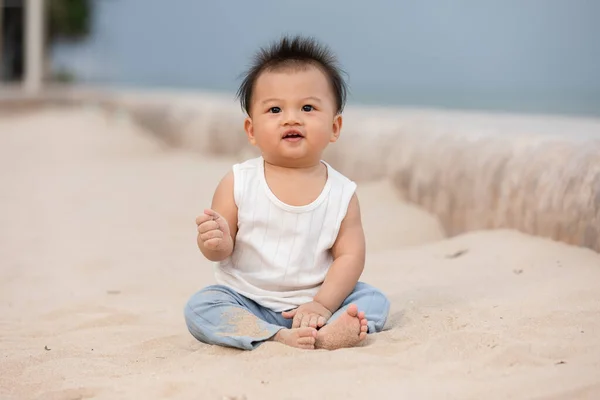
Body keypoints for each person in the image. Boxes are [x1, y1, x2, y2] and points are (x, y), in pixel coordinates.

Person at [184, 35, 390, 350]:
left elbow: (349, 256)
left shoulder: (342, 193)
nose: (291, 118)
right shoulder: (238, 181)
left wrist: (321, 304)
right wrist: (215, 241)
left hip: (317, 303)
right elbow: (218, 251)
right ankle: (275, 334)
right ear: (251, 130)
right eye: (275, 109)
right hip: (247, 300)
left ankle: (326, 333)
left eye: (308, 107)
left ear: (335, 127)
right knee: (201, 306)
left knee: (373, 299)